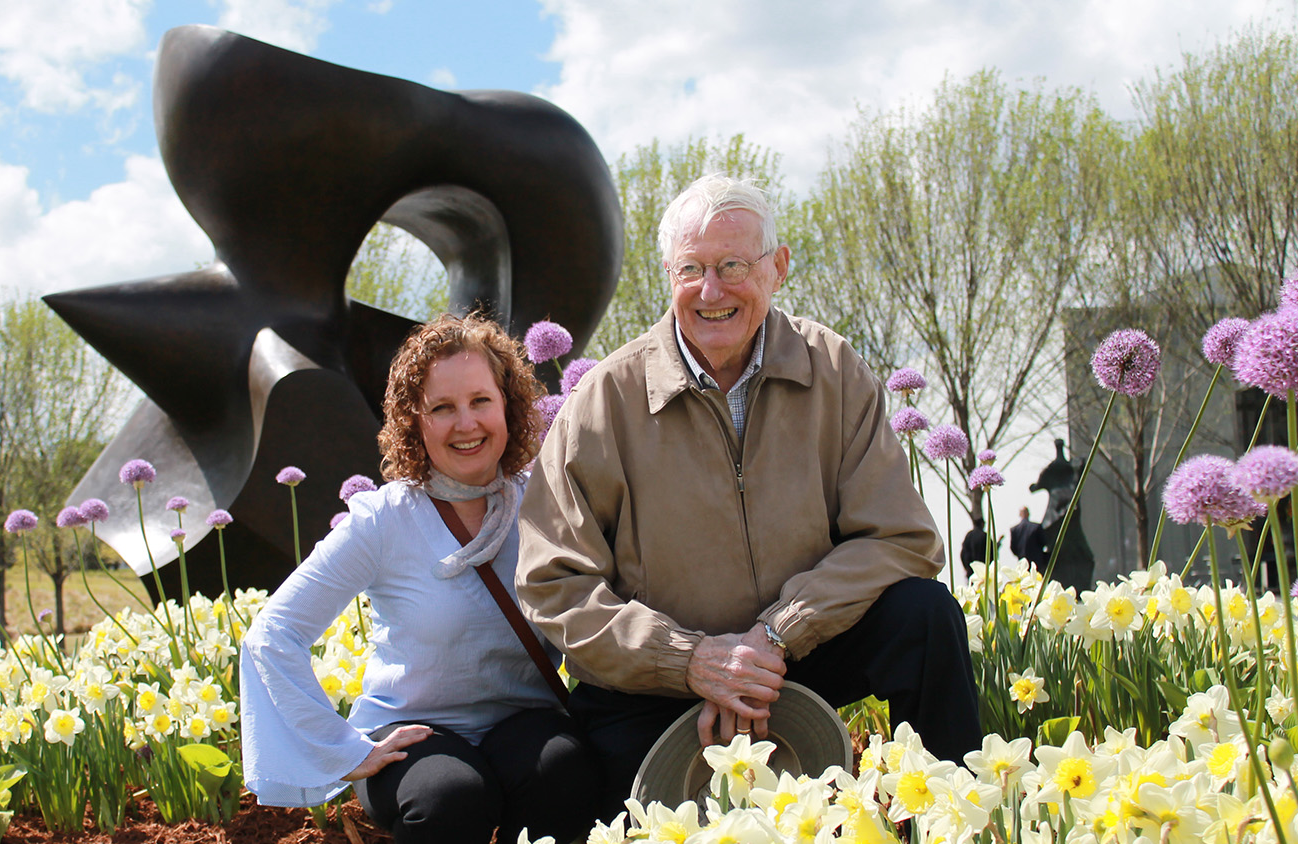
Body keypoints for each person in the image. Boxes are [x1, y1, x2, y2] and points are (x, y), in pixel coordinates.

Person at [516, 175, 982, 818]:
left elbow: (901, 539)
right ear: (667, 274)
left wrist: (777, 633)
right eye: (692, 269)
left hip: (795, 656)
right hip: (655, 684)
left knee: (925, 617)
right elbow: (554, 585)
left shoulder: (835, 371)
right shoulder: (604, 401)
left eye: (733, 265)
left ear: (778, 267)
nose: (712, 291)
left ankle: (950, 819)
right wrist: (690, 661)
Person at [241, 313, 599, 844]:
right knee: (450, 799)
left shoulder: (545, 502)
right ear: (416, 421)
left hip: (525, 721)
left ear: (509, 405)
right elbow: (272, 634)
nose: (466, 423)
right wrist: (346, 749)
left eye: (480, 401)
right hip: (415, 732)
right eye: (442, 408)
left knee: (565, 774)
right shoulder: (383, 521)